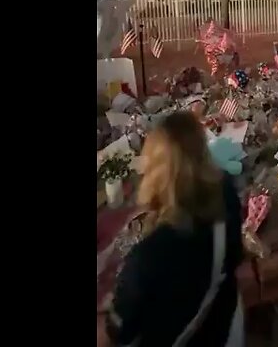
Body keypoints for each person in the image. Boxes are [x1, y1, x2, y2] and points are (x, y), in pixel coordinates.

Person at [103, 111, 244, 347]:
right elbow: (235, 257)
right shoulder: (226, 194)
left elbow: (114, 334)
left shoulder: (145, 258)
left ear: (155, 170)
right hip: (225, 326)